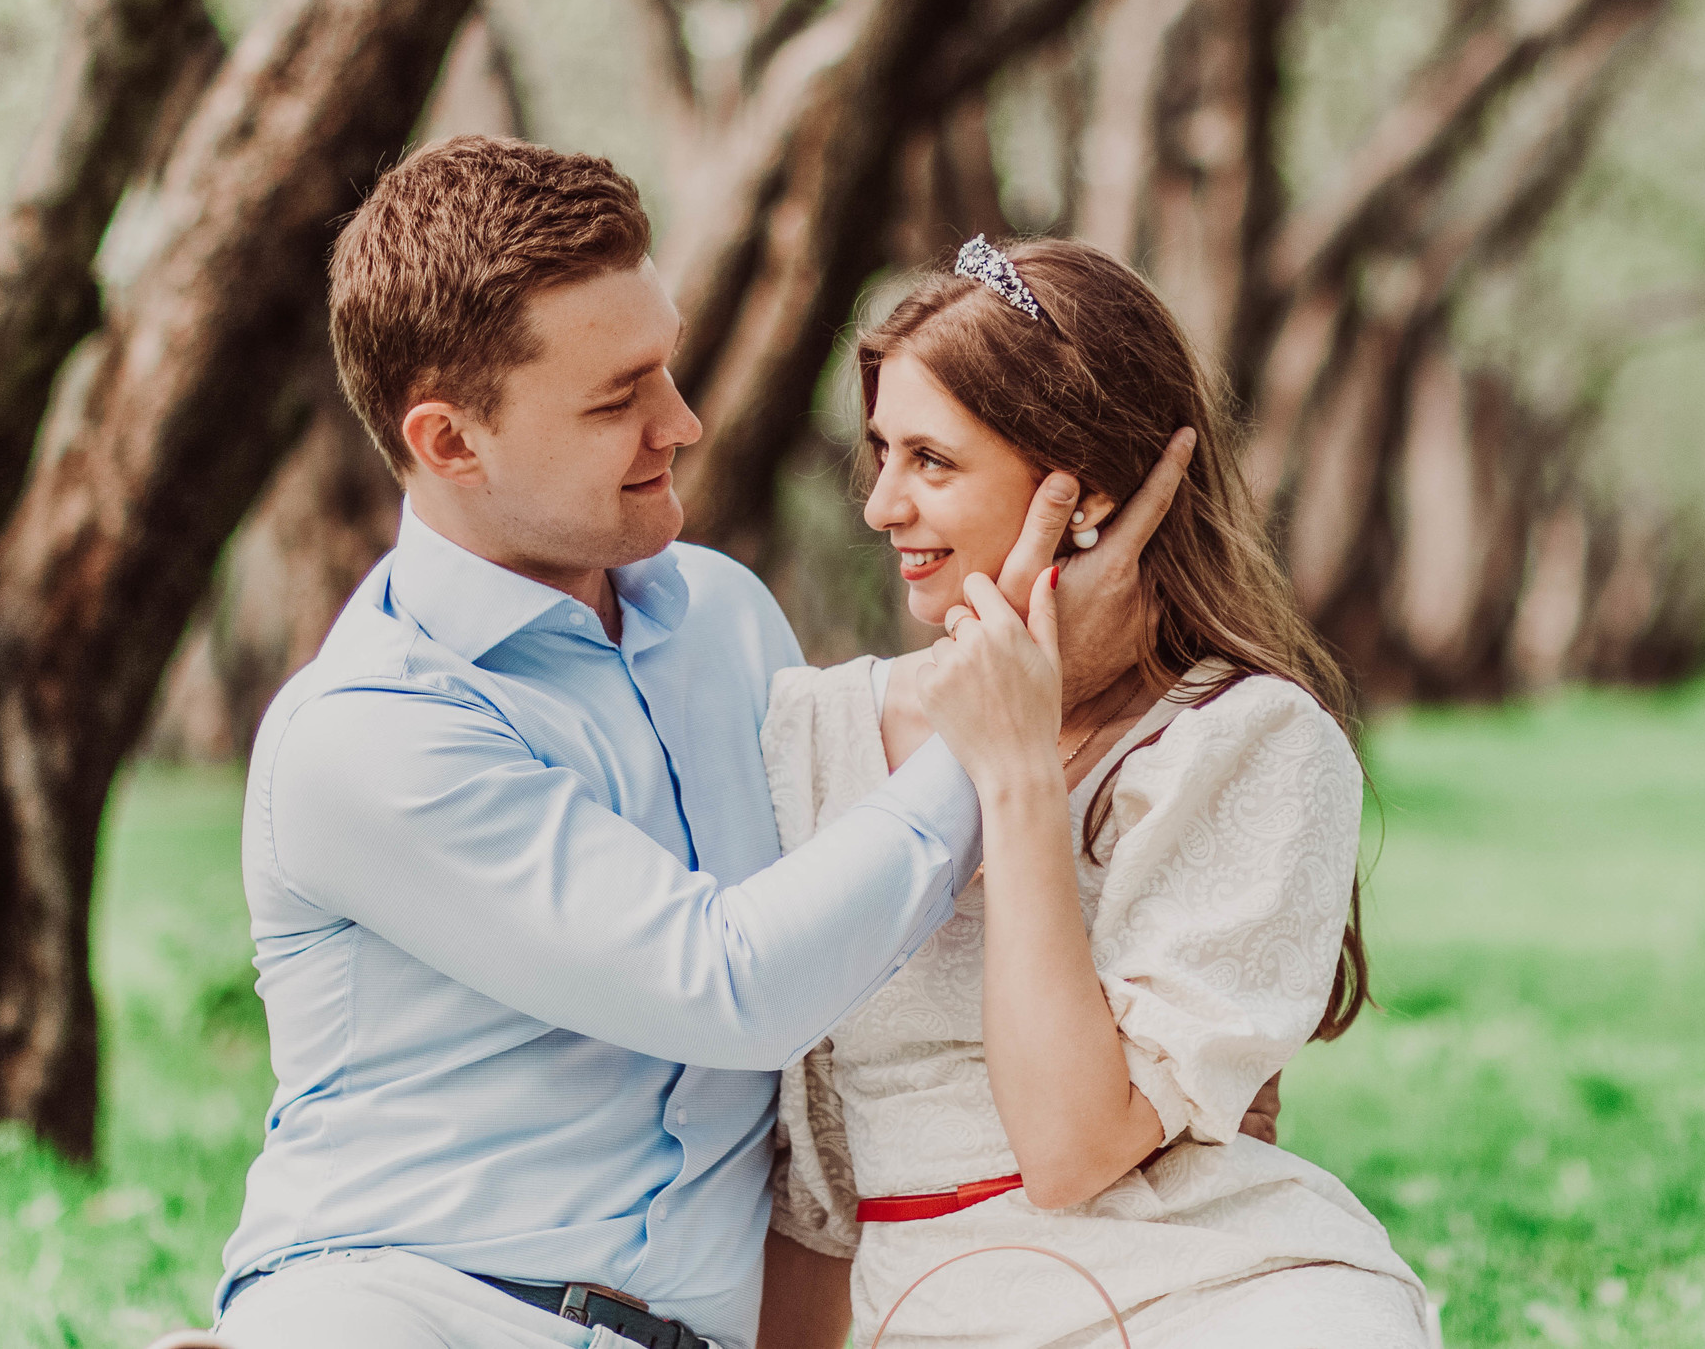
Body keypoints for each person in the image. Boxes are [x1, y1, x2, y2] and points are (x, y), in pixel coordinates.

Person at [208, 140, 1186, 1349]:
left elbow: (866, 949)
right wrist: (995, 742)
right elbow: (732, 987)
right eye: (617, 399)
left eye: (664, 366)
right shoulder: (362, 738)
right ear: (450, 441)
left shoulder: (723, 618)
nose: (682, 421)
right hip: (413, 1307)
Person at [759, 238, 1438, 1349]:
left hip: (1213, 1291)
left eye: (932, 460)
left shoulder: (1252, 746)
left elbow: (1072, 1147)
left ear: (1086, 493)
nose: (881, 505)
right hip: (928, 1308)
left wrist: (1018, 769)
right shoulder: (809, 732)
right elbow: (813, 1193)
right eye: (879, 451)